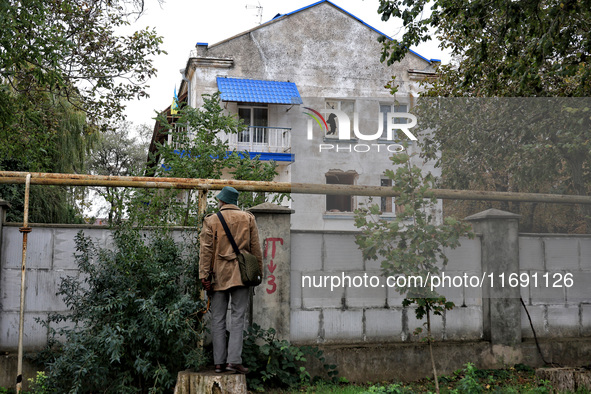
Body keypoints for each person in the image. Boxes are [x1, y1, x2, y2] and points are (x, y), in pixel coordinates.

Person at [199, 186, 263, 374]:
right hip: (242, 275)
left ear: (222, 201)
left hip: (218, 275)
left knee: (218, 319)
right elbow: (255, 249)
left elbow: (206, 251)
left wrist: (204, 276)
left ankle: (219, 363)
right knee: (237, 318)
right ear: (234, 201)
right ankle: (233, 361)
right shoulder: (248, 218)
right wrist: (258, 273)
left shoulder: (211, 220)